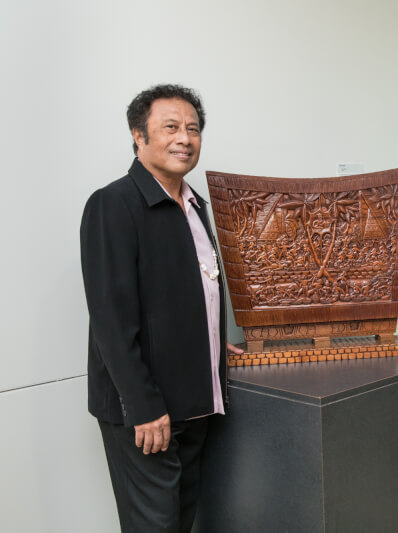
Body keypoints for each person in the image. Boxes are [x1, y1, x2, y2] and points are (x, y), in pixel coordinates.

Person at [80, 84, 243, 532]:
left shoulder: (193, 205)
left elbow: (188, 291)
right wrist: (144, 407)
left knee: (180, 522)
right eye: (170, 127)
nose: (184, 138)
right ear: (139, 136)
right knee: (154, 525)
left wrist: (214, 343)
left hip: (194, 403)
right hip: (148, 412)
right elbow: (111, 321)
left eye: (193, 129)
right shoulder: (113, 204)